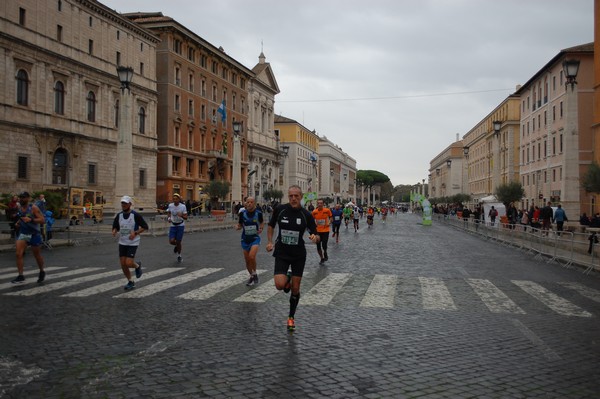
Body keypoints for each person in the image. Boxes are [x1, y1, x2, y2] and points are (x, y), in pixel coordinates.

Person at [266, 185, 319, 331]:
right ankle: (287, 278)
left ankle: (291, 317)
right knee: (279, 285)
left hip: (298, 255)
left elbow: (316, 233)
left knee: (295, 289)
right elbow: (270, 226)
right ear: (288, 197)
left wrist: (315, 238)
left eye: (296, 196)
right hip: (282, 252)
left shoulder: (306, 215)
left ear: (301, 197)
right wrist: (270, 241)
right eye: (291, 196)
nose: (293, 198)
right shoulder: (280, 210)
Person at [112, 195, 148, 290]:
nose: (123, 205)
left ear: (130, 204)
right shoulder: (119, 215)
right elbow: (115, 226)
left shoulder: (135, 215)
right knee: (123, 264)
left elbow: (145, 227)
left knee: (128, 262)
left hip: (133, 242)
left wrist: (135, 233)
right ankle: (130, 281)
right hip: (122, 242)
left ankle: (137, 266)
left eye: (125, 203)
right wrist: (114, 231)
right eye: (122, 203)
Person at [11, 192, 46, 284]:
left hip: (34, 234)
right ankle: (20, 275)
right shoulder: (20, 208)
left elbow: (42, 220)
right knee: (18, 254)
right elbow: (22, 217)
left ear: (28, 198)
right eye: (20, 197)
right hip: (24, 234)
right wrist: (18, 223)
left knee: (37, 255)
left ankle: (42, 271)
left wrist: (31, 220)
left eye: (24, 197)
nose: (22, 199)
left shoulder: (33, 208)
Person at [236, 196, 264, 286]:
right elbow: (240, 224)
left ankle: (254, 273)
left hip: (255, 238)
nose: (249, 204)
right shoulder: (242, 213)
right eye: (248, 202)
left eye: (251, 202)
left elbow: (262, 222)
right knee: (247, 260)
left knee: (252, 257)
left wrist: (261, 228)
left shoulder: (258, 213)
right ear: (245, 203)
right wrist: (238, 227)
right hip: (245, 239)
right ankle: (252, 275)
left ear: (254, 203)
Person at [167, 193, 188, 262]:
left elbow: (186, 217)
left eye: (176, 199)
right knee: (171, 241)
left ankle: (179, 255)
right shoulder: (170, 205)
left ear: (179, 199)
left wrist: (181, 215)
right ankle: (177, 245)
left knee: (179, 241)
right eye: (174, 199)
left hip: (180, 225)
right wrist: (169, 218)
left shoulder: (183, 206)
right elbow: (169, 212)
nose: (175, 200)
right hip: (173, 225)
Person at [312, 199, 332, 265]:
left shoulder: (327, 210)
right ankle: (322, 258)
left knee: (324, 244)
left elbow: (331, 217)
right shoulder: (314, 212)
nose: (320, 204)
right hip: (318, 231)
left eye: (321, 203)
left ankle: (325, 252)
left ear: (323, 204)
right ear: (317, 204)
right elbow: (311, 220)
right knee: (318, 246)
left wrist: (329, 222)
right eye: (318, 203)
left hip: (326, 230)